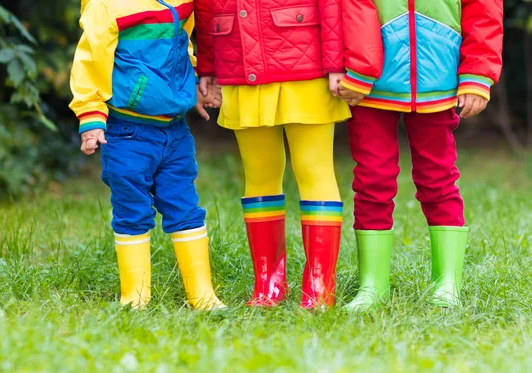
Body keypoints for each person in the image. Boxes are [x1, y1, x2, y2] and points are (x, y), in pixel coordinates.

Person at [338, 0, 504, 310]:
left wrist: (477, 74)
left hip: (439, 81)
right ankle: (372, 285)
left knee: (438, 179)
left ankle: (447, 283)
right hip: (369, 86)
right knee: (372, 179)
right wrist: (353, 67)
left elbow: (484, 13)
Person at [69, 0, 225, 310]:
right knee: (132, 211)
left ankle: (203, 295)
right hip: (127, 133)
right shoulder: (107, 6)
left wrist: (192, 82)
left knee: (185, 206)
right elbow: (89, 63)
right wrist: (90, 116)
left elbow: (180, 43)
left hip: (175, 132)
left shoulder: (182, 2)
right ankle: (135, 297)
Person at [195, 0, 351, 308]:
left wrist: (336, 62)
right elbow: (205, 9)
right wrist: (208, 67)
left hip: (306, 62)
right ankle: (268, 283)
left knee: (314, 170)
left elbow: (332, 5)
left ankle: (320, 286)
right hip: (239, 66)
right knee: (259, 174)